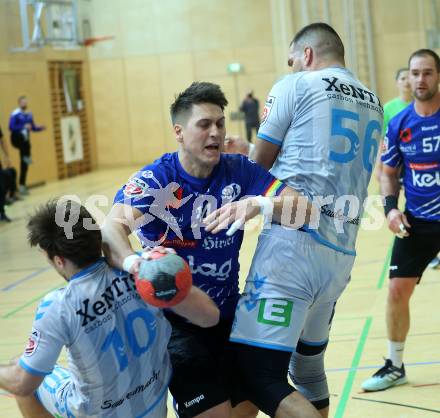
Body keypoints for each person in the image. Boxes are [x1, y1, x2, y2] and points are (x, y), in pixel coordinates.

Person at [102, 81, 317, 418]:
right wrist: (135, 262)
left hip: (229, 315)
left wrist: (259, 204)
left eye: (219, 123)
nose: (214, 132)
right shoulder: (158, 179)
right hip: (175, 322)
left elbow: (306, 210)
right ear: (179, 131)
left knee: (246, 410)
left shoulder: (238, 170)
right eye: (204, 124)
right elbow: (112, 227)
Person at [217, 23, 383, 418]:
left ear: (306, 55)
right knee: (307, 368)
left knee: (257, 374)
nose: (290, 68)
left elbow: (259, 166)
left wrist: (240, 160)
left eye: (292, 60)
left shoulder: (296, 85)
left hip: (293, 247)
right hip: (341, 253)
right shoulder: (372, 98)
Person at [0, 199, 219, 418]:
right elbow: (210, 317)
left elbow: (21, 383)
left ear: (58, 261)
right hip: (153, 405)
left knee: (22, 377)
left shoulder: (58, 307)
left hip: (97, 413)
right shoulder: (143, 269)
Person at [361, 49, 440, 392]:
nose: (419, 80)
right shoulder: (400, 124)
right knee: (396, 291)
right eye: (414, 73)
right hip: (417, 222)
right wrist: (391, 208)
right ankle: (395, 365)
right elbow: (388, 172)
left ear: (437, 76)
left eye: (427, 73)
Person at [374, 68, 412, 182]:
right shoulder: (388, 108)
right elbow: (382, 140)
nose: (406, 81)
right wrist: (378, 167)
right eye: (403, 78)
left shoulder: (421, 106)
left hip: (415, 160)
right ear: (397, 83)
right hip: (393, 162)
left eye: (409, 78)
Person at [9, 96, 45, 195]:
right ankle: (26, 155)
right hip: (16, 138)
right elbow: (11, 127)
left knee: (24, 164)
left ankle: (22, 185)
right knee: (24, 137)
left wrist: (40, 128)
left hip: (24, 142)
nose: (24, 104)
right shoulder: (15, 113)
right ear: (19, 103)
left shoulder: (29, 115)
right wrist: (23, 126)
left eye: (26, 102)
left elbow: (33, 128)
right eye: (22, 102)